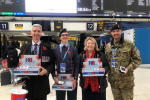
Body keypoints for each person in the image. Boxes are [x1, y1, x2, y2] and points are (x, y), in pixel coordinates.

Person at [105, 24, 142, 100]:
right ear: (111, 33)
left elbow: (137, 60)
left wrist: (128, 69)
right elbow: (107, 62)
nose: (116, 33)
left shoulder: (128, 44)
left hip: (126, 81)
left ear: (121, 31)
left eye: (118, 31)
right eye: (114, 31)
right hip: (114, 81)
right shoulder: (108, 46)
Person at [19, 24, 55, 100]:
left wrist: (47, 70)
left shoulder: (47, 48)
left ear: (41, 33)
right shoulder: (24, 47)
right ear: (31, 33)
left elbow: (52, 63)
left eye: (38, 31)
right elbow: (20, 63)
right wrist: (20, 77)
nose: (36, 33)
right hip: (29, 83)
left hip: (42, 83)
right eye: (34, 31)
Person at [52, 28, 79, 100]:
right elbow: (52, 64)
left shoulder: (73, 49)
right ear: (60, 37)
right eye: (63, 35)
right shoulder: (55, 49)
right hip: (59, 78)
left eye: (66, 35)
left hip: (71, 78)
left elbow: (77, 65)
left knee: (72, 98)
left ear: (69, 37)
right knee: (60, 98)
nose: (65, 36)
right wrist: (54, 76)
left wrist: (75, 78)